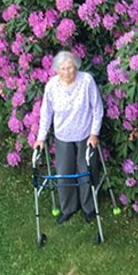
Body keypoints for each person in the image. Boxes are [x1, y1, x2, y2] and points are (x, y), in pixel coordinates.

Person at [34, 50, 104, 223]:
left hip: (85, 134)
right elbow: (46, 113)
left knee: (86, 172)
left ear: (76, 67)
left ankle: (89, 207)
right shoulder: (51, 86)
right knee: (64, 173)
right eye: (63, 68)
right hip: (63, 135)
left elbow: (97, 108)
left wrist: (94, 133)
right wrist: (41, 137)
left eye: (71, 67)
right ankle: (68, 208)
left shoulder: (86, 81)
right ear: (57, 70)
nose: (67, 72)